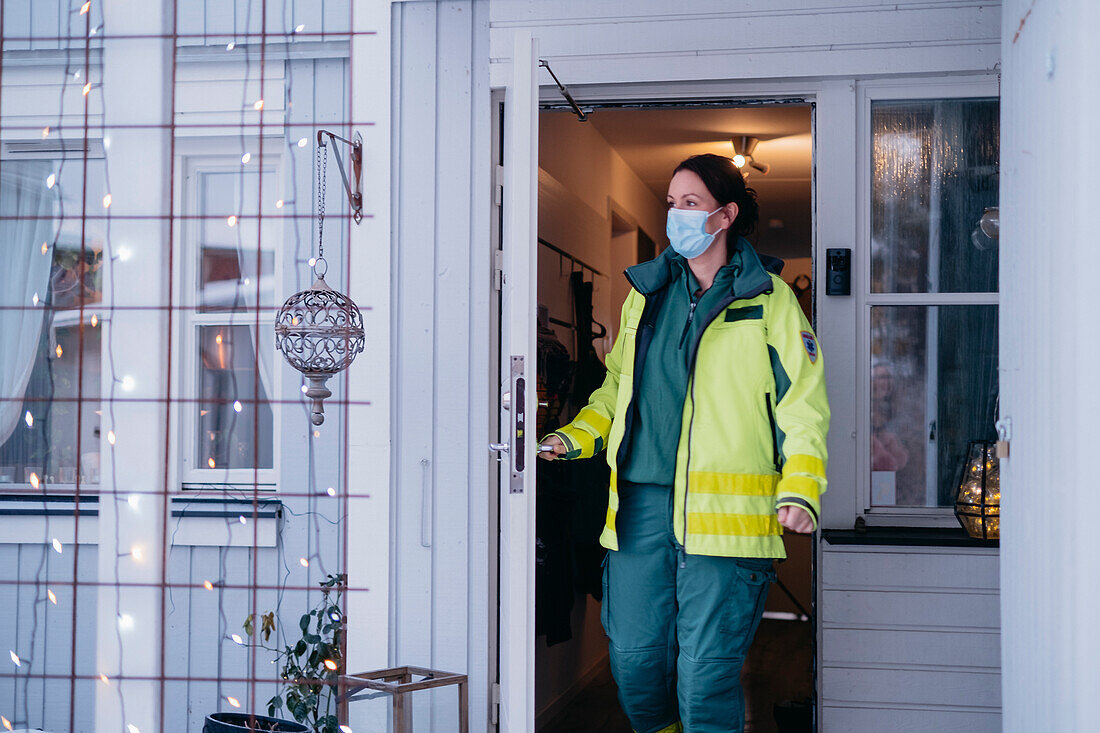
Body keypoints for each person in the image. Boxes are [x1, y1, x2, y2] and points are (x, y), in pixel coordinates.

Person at [539, 153, 830, 733]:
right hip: (640, 511)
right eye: (671, 203)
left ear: (725, 217)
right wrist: (574, 439)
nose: (676, 216)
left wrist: (801, 488)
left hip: (727, 525)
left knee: (704, 679)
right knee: (634, 664)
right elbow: (615, 392)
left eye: (690, 204)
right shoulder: (643, 296)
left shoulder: (770, 299)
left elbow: (802, 404)